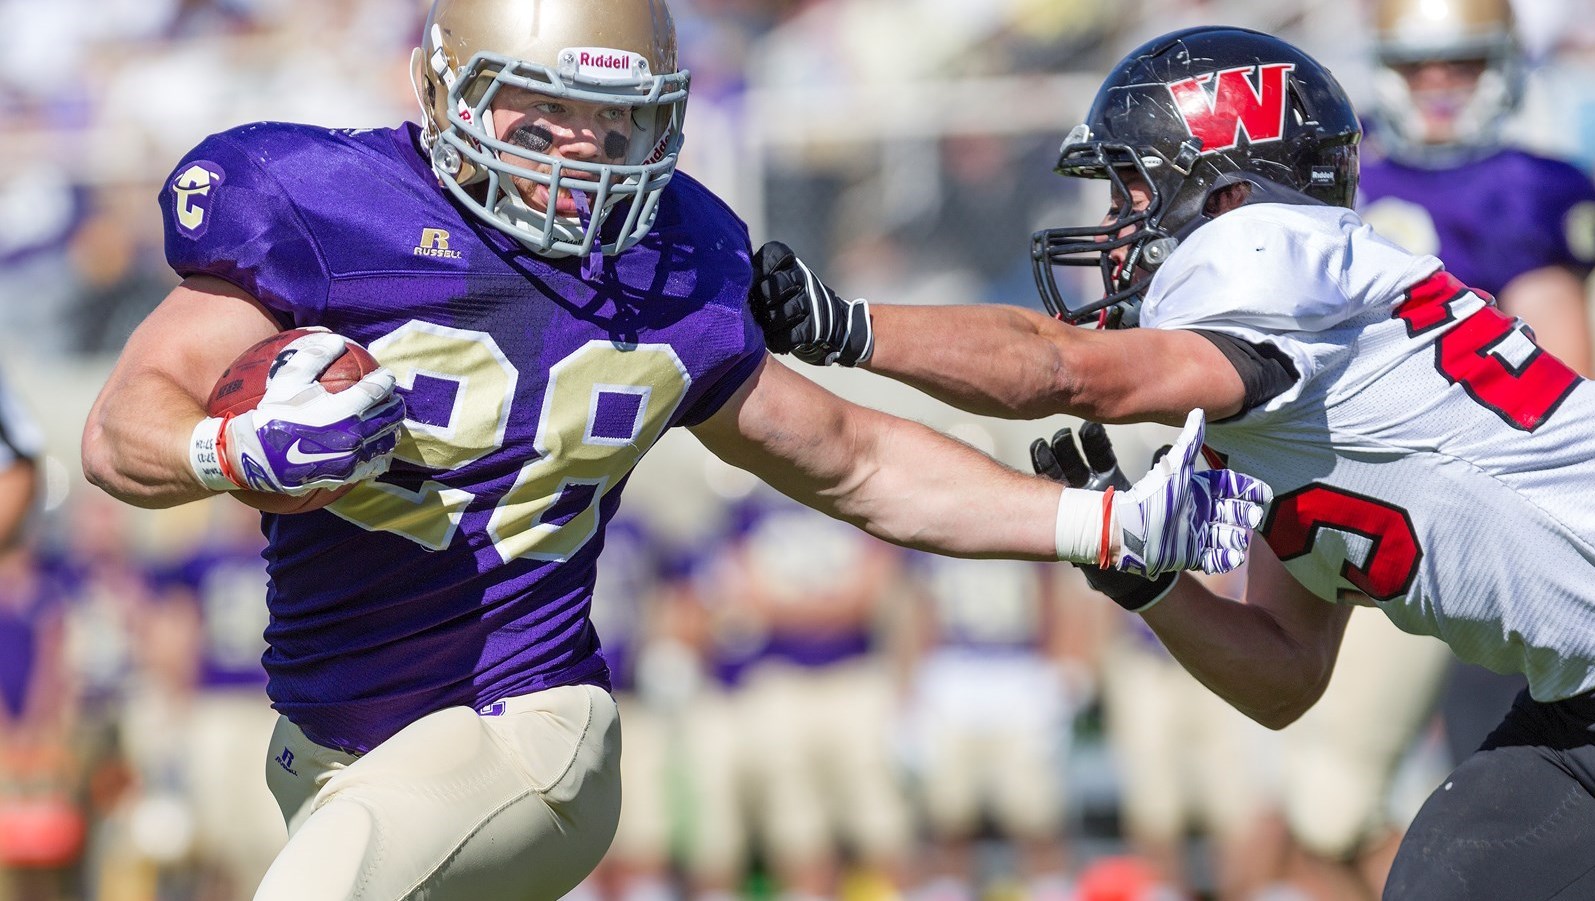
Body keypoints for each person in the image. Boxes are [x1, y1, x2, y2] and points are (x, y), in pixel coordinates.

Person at [76, 3, 1271, 899]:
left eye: (613, 119)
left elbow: (848, 458)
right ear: (445, 89)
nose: (578, 148)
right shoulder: (319, 203)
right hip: (327, 741)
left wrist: (1099, 523)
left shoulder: (673, 257)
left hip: (523, 728)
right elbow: (123, 425)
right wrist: (234, 448)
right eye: (541, 107)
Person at [749, 24, 1595, 900]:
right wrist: (1147, 583)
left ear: (1228, 197)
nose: (1112, 226)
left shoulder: (1266, 257)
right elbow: (1284, 675)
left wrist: (844, 326)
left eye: (1131, 188)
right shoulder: (1283, 392)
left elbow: (1061, 369)